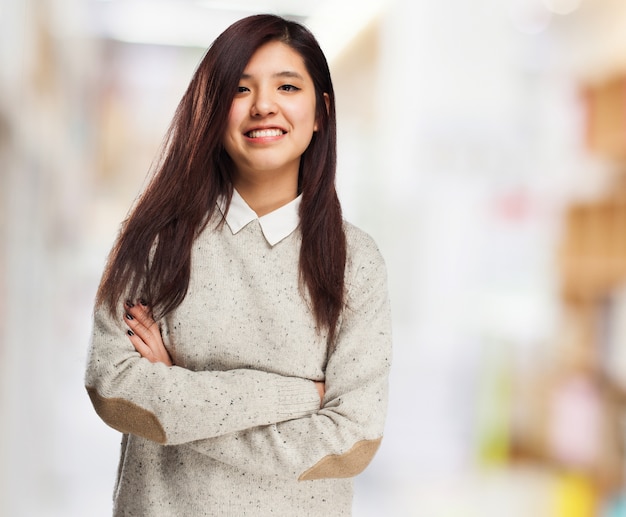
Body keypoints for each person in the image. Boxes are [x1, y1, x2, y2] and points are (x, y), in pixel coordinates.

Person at [85, 13, 392, 517]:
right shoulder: (154, 240)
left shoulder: (356, 262)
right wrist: (296, 396)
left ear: (321, 113)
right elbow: (114, 389)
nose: (264, 105)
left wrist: (178, 389)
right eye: (240, 89)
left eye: (288, 86)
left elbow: (351, 439)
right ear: (211, 109)